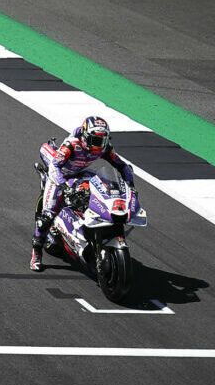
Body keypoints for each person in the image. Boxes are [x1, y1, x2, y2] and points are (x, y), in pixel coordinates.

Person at [31, 116, 144, 271]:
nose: (100, 146)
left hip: (80, 172)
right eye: (96, 141)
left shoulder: (104, 147)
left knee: (102, 189)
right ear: (85, 137)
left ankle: (90, 226)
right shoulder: (72, 144)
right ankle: (36, 253)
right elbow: (55, 166)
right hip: (59, 176)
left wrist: (130, 186)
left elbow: (122, 166)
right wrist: (64, 185)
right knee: (47, 216)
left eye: (103, 141)